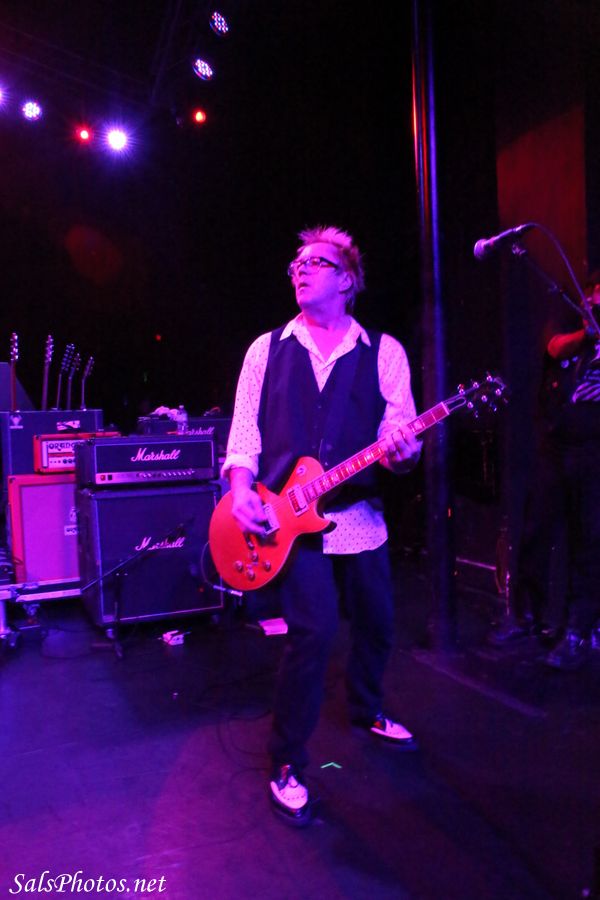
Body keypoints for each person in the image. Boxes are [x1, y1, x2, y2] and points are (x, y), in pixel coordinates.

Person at [222, 225, 422, 825]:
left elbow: (398, 435)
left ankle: (366, 709)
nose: (301, 269)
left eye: (316, 262)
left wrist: (404, 453)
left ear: (347, 280)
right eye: (297, 263)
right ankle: (287, 761)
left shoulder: (383, 351)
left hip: (360, 518)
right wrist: (240, 491)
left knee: (378, 624)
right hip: (288, 520)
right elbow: (244, 433)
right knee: (313, 634)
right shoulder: (266, 349)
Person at [532, 271, 600, 670]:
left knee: (589, 540)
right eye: (594, 293)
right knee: (539, 529)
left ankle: (578, 630)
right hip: (557, 443)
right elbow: (555, 347)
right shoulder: (570, 319)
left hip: (594, 449)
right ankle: (530, 617)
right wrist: (589, 332)